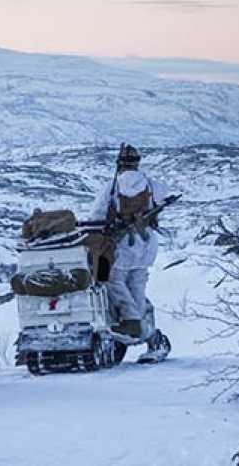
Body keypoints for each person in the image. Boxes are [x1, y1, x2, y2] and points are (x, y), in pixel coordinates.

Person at [88, 144, 167, 340]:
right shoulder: (150, 184)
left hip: (123, 246)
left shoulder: (113, 187)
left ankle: (131, 321)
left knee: (112, 280)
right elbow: (163, 197)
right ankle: (140, 326)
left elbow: (96, 216)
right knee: (137, 285)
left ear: (120, 163)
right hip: (146, 244)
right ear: (137, 163)